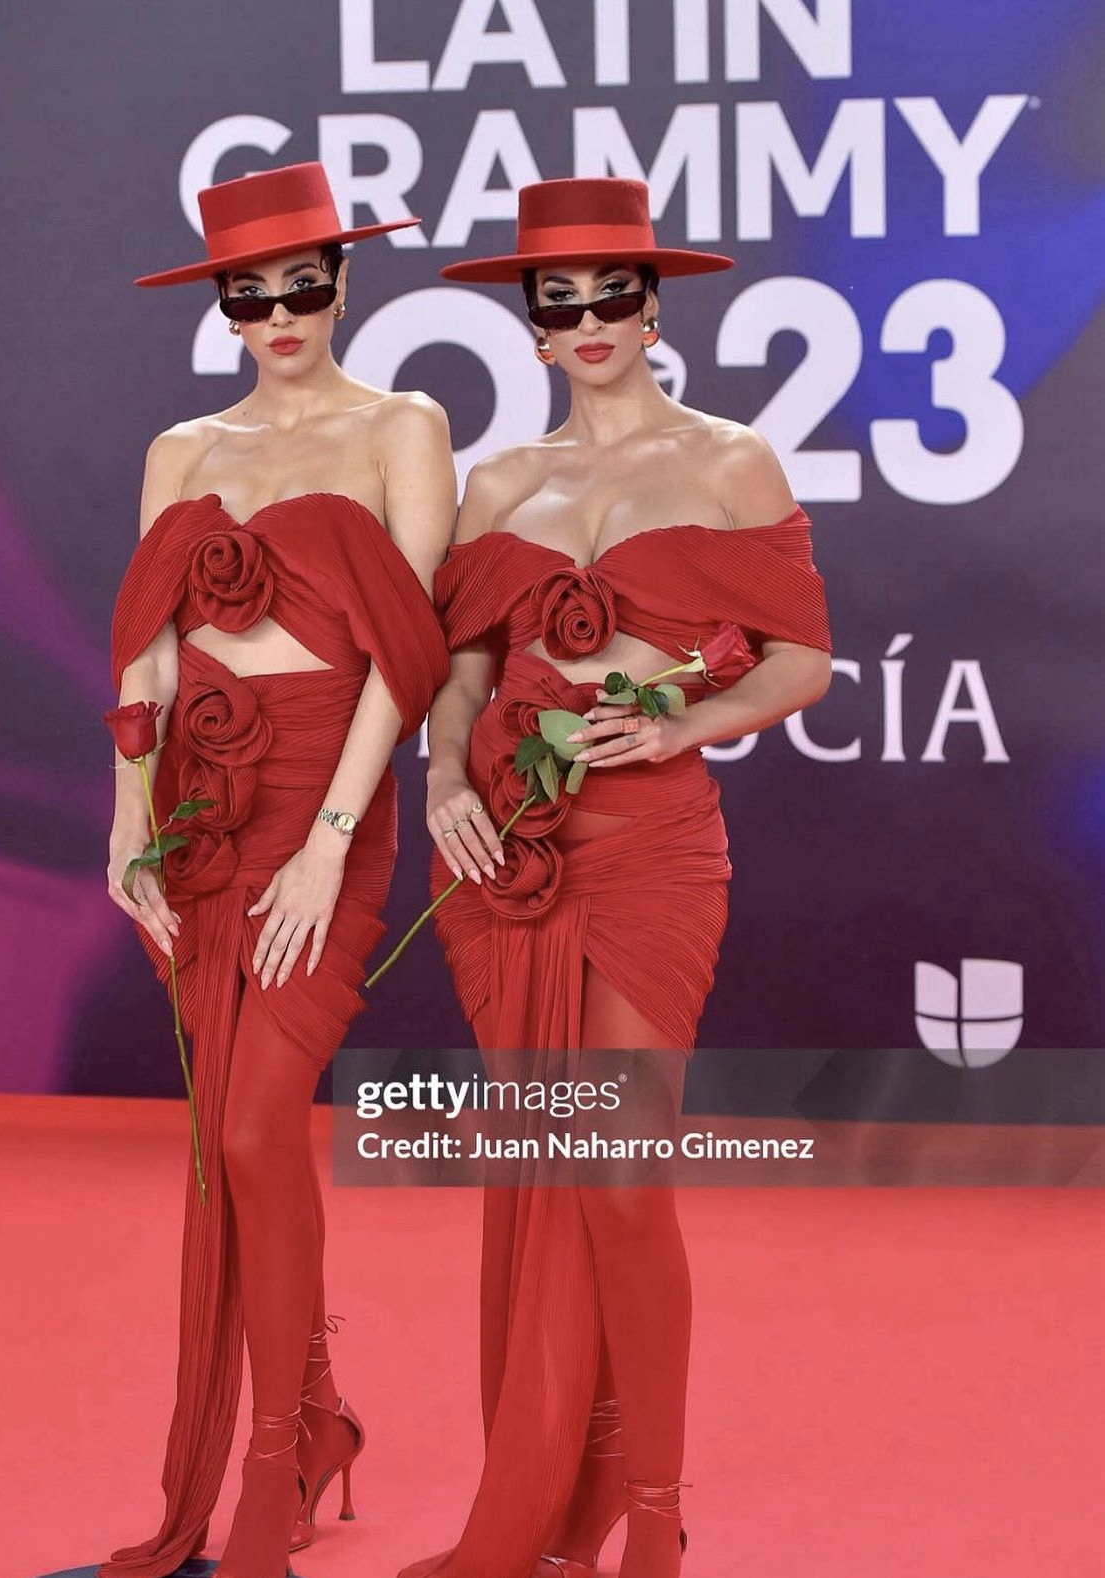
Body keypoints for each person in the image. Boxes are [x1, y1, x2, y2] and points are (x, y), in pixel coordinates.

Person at [410, 178, 832, 1578]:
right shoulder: (502, 485)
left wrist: (676, 722)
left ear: (655, 305)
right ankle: (547, 1506)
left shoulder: (732, 462)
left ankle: (653, 1514)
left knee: (623, 1174)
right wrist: (446, 779)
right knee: (550, 1172)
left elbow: (799, 660)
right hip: (507, 863)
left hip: (653, 850)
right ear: (530, 327)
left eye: (612, 296)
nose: (588, 322)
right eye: (558, 302)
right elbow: (460, 676)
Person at [99, 162, 453, 1578]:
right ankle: (316, 1422)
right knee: (223, 1141)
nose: (281, 311)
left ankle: (271, 1464)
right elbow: (151, 650)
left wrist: (327, 837)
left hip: (326, 803)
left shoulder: (402, 426)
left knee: (254, 1129)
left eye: (304, 281)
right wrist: (130, 813)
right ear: (223, 305)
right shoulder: (183, 446)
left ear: (342, 280)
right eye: (252, 293)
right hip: (196, 814)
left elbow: (409, 653)